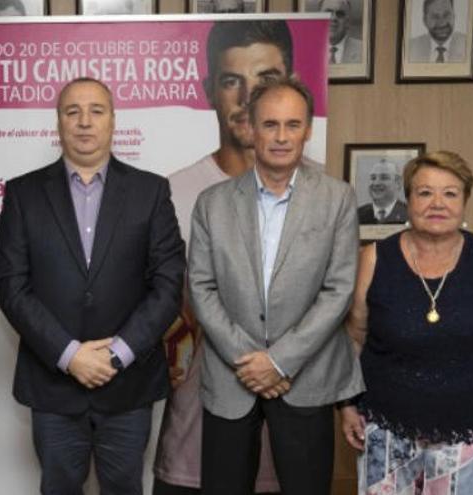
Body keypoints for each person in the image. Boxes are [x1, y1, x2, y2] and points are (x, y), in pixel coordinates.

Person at [0, 77, 185, 495]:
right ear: (58, 123)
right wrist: (70, 355)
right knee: (59, 487)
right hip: (53, 383)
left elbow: (169, 284)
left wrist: (116, 355)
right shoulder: (23, 193)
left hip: (128, 384)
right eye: (72, 111)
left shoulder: (150, 191)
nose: (84, 122)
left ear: (113, 121)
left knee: (124, 486)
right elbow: (12, 287)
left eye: (96, 111)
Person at [188, 76, 363, 495]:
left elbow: (338, 290)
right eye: (270, 124)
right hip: (233, 378)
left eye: (292, 125)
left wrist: (280, 361)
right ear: (249, 128)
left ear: (308, 130)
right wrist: (251, 361)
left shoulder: (337, 199)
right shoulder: (211, 204)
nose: (281, 137)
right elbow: (201, 287)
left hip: (305, 377)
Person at [154, 20, 295, 495]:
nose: (250, 96)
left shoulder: (324, 194)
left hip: (289, 425)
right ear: (209, 90)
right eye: (233, 80)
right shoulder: (171, 193)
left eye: (268, 81)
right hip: (198, 432)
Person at [341, 151, 473, 494]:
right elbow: (354, 338)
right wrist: (348, 405)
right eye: (425, 192)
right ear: (407, 199)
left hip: (467, 431)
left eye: (450, 193)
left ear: (465, 200)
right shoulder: (374, 258)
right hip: (385, 428)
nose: (437, 203)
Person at [357, 159, 408, 225]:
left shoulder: (409, 213)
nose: (376, 183)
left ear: (398, 183)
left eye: (384, 178)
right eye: (373, 178)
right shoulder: (357, 215)